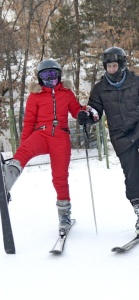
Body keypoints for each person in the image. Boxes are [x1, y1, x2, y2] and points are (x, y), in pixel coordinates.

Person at [77, 46, 139, 235]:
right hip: (120, 135)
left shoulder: (137, 82)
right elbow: (95, 111)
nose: (111, 70)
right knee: (131, 176)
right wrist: (87, 116)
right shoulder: (100, 88)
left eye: (114, 65)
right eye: (108, 67)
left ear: (122, 65)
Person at [3, 59, 85, 234]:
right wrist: (22, 147)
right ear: (40, 79)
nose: (50, 79)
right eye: (46, 76)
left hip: (60, 137)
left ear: (59, 76)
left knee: (60, 177)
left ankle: (64, 215)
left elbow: (76, 110)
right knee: (24, 151)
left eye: (53, 75)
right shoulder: (35, 96)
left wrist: (84, 114)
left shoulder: (67, 93)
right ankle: (8, 177)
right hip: (41, 133)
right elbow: (28, 123)